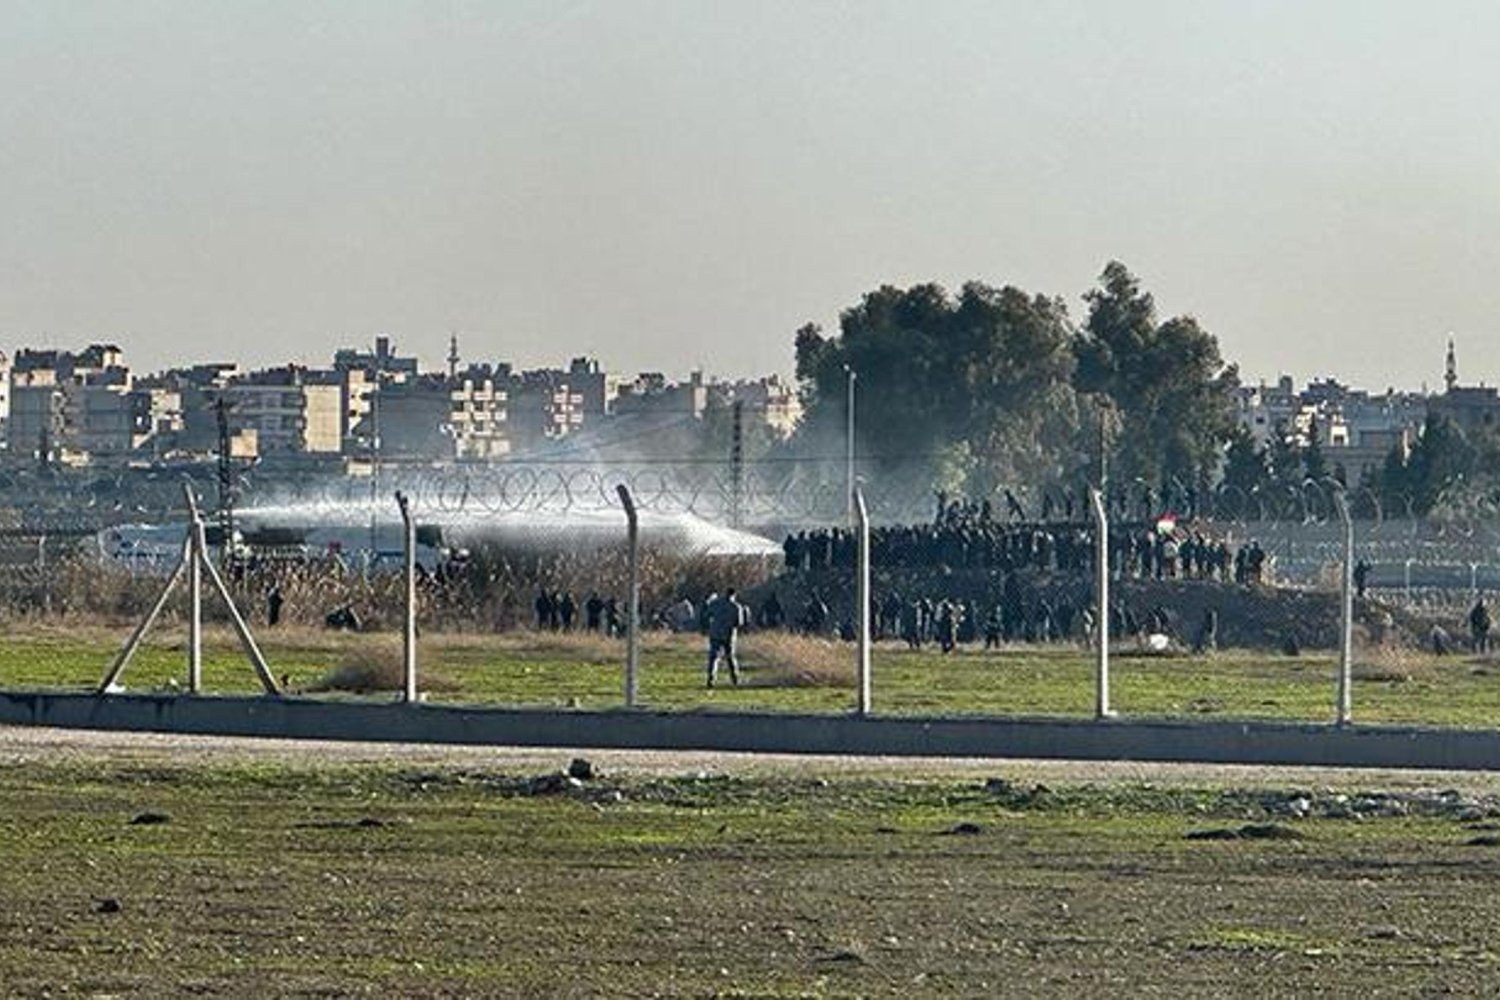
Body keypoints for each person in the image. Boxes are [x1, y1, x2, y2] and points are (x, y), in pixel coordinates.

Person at [705, 588, 750, 688]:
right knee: (730, 657)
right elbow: (739, 623)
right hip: (728, 635)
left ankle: (711, 678)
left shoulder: (715, 603)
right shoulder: (736, 607)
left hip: (715, 633)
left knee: (714, 657)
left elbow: (707, 615)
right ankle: (735, 679)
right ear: (734, 595)